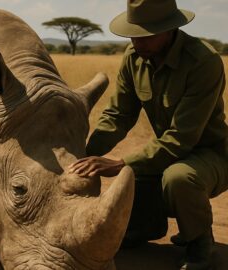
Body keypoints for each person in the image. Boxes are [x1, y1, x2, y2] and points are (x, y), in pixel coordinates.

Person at [69, 0, 228, 269]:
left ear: (170, 30)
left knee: (178, 178)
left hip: (210, 156)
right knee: (136, 180)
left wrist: (121, 163)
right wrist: (81, 154)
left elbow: (181, 138)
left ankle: (200, 244)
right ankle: (147, 226)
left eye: (146, 35)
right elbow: (118, 116)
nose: (137, 42)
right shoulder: (133, 59)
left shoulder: (204, 62)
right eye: (133, 33)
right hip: (168, 152)